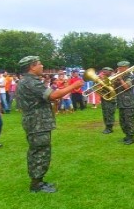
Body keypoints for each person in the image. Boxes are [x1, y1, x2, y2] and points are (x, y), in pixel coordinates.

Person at [16, 56, 84, 193]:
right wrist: (74, 86)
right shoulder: (31, 82)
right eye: (40, 64)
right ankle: (36, 185)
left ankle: (38, 181)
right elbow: (53, 95)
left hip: (36, 122)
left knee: (39, 151)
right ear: (32, 66)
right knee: (40, 152)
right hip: (37, 123)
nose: (42, 66)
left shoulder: (28, 81)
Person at [114, 61, 134, 145]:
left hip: (129, 103)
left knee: (129, 121)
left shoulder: (130, 76)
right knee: (122, 121)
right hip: (121, 102)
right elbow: (115, 89)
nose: (118, 69)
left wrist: (120, 79)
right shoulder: (120, 76)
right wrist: (115, 81)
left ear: (126, 68)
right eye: (118, 68)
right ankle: (127, 136)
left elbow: (127, 87)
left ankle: (131, 137)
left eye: (120, 68)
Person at [99, 67, 117, 134]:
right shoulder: (103, 78)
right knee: (105, 112)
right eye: (103, 72)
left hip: (111, 98)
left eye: (104, 72)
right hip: (104, 97)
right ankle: (107, 126)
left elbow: (112, 87)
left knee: (109, 113)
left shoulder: (114, 78)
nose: (103, 73)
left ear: (110, 72)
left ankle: (109, 127)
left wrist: (103, 80)